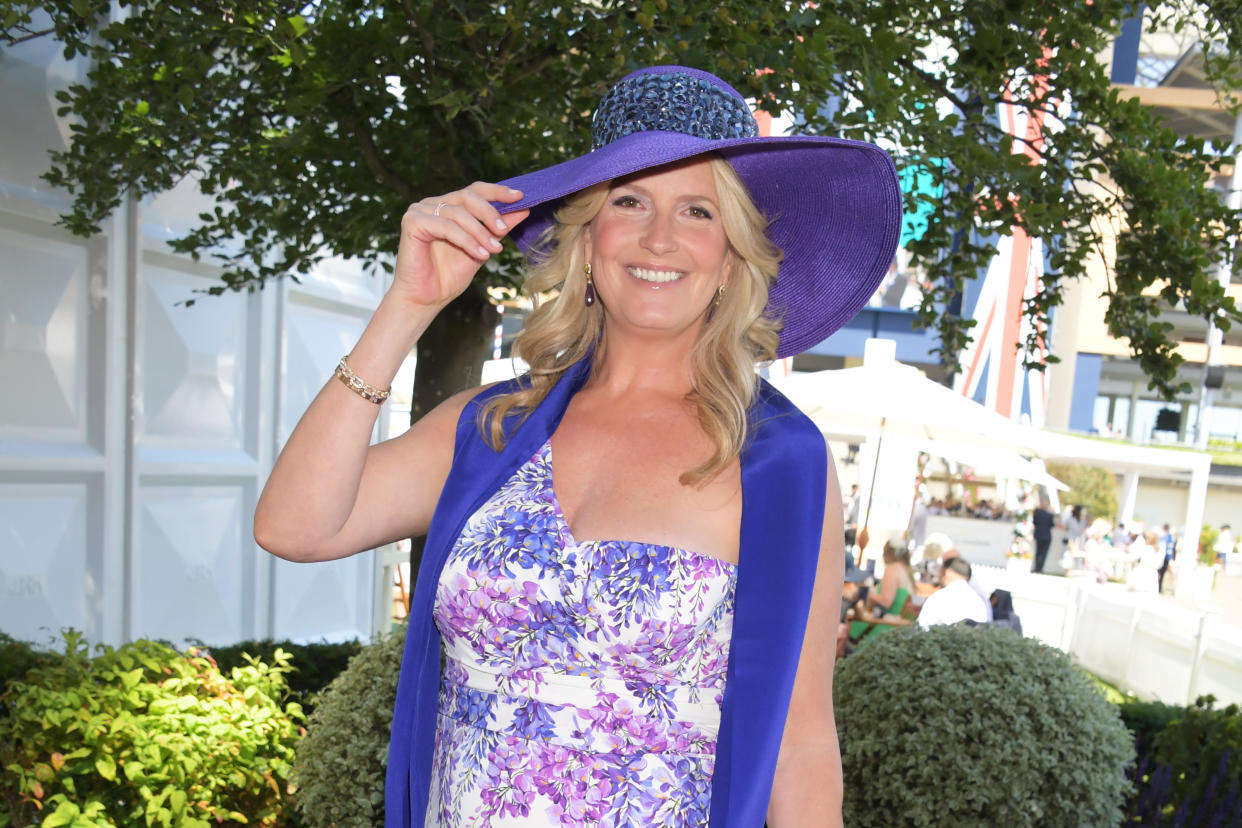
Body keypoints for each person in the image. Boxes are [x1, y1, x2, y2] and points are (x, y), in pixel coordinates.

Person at [253, 65, 901, 827]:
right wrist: (408, 306)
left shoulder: (776, 461)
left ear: (731, 257)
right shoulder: (491, 429)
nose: (659, 236)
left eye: (697, 210)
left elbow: (800, 747)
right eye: (629, 201)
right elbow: (293, 526)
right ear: (587, 239)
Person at [918, 557, 990, 629]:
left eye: (940, 570)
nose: (938, 575)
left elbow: (921, 628)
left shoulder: (939, 598)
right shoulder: (979, 601)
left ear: (947, 572)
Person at [867, 539, 916, 615]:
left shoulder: (892, 569)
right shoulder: (906, 569)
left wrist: (866, 593)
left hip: (886, 622)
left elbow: (886, 601)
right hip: (897, 622)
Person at [1032, 496, 1056, 573]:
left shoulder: (1037, 513)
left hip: (1039, 535)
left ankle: (1037, 568)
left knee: (1038, 552)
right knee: (1043, 553)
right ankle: (1040, 568)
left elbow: (1034, 522)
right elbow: (1052, 524)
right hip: (1047, 536)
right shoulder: (1049, 515)